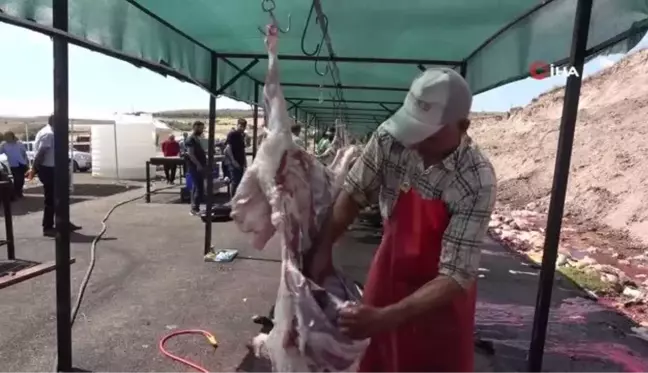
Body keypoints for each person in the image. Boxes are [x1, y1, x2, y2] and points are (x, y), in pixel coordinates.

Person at [307, 68, 497, 373]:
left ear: (463, 126)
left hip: (440, 301)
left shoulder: (476, 178)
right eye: (413, 129)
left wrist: (385, 317)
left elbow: (456, 274)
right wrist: (323, 248)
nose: (416, 142)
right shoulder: (390, 139)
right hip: (389, 275)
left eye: (429, 134)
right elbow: (354, 193)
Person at [31, 116, 82, 237]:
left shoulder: (52, 132)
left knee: (62, 198)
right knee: (51, 200)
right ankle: (47, 227)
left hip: (55, 169)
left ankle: (63, 223)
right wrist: (34, 169)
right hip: (48, 170)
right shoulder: (49, 134)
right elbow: (41, 154)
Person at [184, 121, 207, 215]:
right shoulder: (191, 139)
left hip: (198, 165)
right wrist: (198, 164)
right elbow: (191, 154)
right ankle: (195, 208)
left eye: (202, 128)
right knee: (199, 187)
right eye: (200, 128)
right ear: (194, 127)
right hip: (195, 166)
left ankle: (194, 207)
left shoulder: (197, 139)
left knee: (196, 187)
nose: (202, 130)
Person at [0, 131, 28, 198]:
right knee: (17, 178)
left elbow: (24, 153)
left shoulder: (19, 143)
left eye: (8, 137)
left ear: (12, 137)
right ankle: (17, 192)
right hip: (13, 164)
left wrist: (25, 162)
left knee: (21, 179)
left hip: (22, 163)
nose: (7, 138)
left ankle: (19, 191)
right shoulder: (4, 145)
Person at [224, 118, 247, 196]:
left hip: (240, 162)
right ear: (237, 125)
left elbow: (243, 150)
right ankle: (233, 201)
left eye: (244, 126)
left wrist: (245, 163)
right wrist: (233, 161)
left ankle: (236, 200)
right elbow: (227, 148)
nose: (242, 128)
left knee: (239, 182)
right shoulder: (232, 134)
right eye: (241, 126)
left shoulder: (241, 136)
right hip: (233, 162)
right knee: (235, 182)